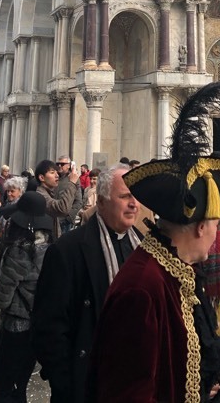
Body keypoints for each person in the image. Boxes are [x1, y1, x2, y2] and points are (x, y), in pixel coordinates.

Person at [90, 83, 220, 402]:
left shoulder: (176, 273)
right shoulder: (142, 288)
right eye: (214, 225)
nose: (215, 234)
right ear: (200, 228)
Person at [32, 164, 141, 401]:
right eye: (125, 197)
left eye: (136, 196)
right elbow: (49, 325)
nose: (134, 204)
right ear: (101, 202)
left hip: (132, 377)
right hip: (86, 382)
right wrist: (66, 382)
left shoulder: (142, 245)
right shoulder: (67, 250)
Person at [0, 191, 54, 403]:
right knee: (21, 382)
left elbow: (2, 297)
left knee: (1, 387)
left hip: (17, 323)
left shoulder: (19, 250)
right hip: (38, 322)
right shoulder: (50, 247)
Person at [33, 160, 79, 241]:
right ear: (42, 177)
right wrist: (72, 183)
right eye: (52, 172)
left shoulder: (49, 192)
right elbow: (63, 208)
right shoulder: (40, 196)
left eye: (57, 173)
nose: (57, 175)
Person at [55, 156, 83, 235]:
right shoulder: (54, 178)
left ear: (69, 165)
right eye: (58, 164)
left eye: (62, 164)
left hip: (65, 221)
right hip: (53, 219)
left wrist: (69, 217)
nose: (59, 166)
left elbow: (78, 201)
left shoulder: (74, 179)